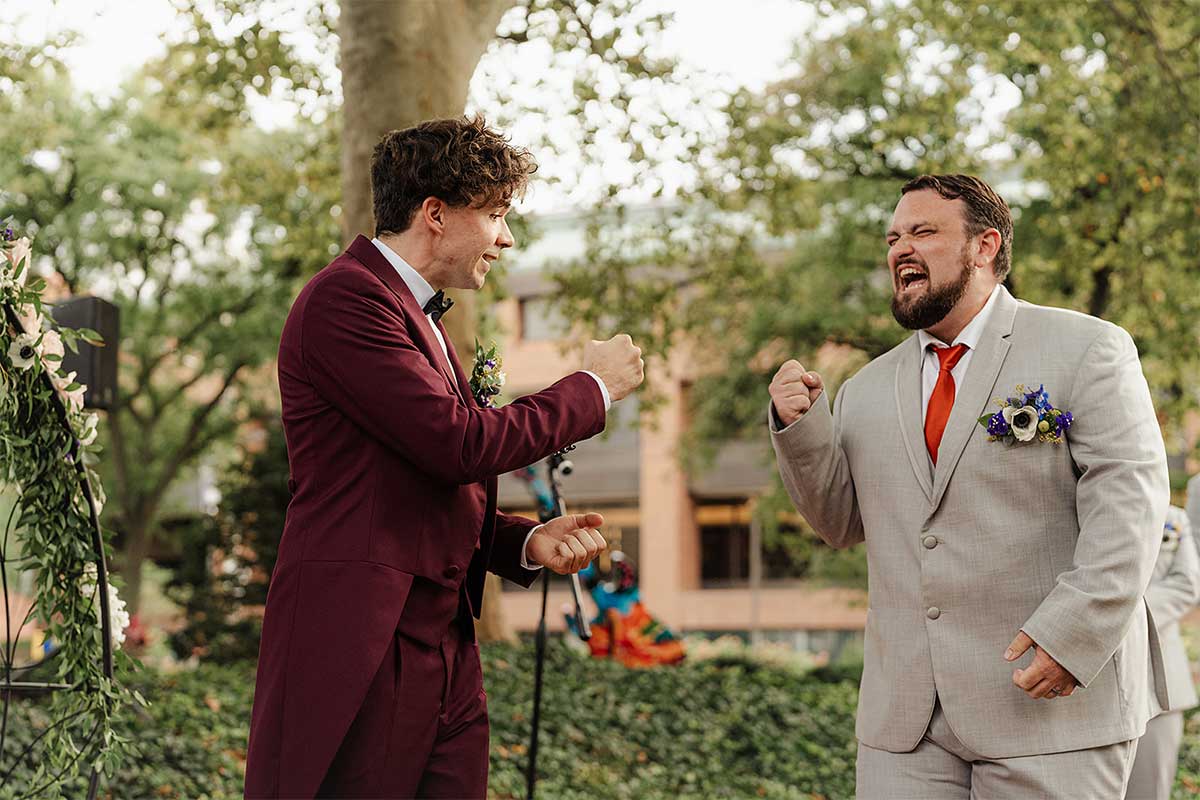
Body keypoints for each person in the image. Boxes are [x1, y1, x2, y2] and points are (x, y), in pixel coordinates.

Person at [244, 116, 644, 799]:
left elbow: (418, 482)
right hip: (365, 643)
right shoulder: (346, 299)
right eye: (495, 215)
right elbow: (458, 444)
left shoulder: (420, 316)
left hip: (447, 648)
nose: (506, 238)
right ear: (435, 213)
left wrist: (523, 543)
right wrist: (592, 389)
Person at [768, 174, 1170, 798]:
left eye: (923, 232)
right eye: (893, 237)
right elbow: (840, 524)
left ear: (985, 246)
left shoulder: (1087, 347)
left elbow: (1131, 506)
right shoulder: (864, 389)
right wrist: (799, 430)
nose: (901, 249)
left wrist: (1074, 636)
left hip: (1049, 703)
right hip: (905, 725)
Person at [1126, 506, 1200, 799]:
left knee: (1150, 790)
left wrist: (1116, 614)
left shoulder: (1173, 518)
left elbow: (1188, 584)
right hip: (1081, 690)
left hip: (1161, 685)